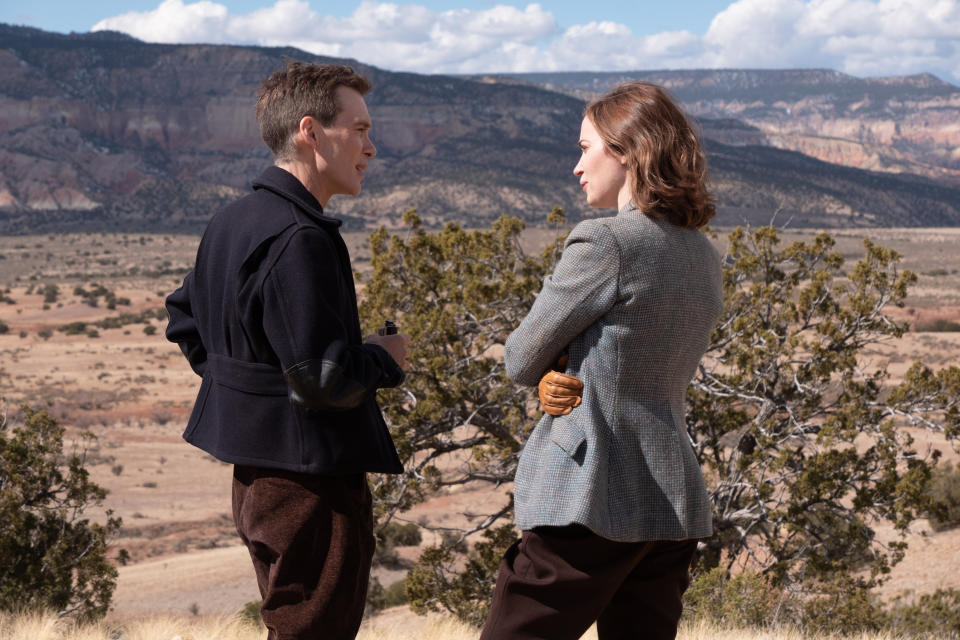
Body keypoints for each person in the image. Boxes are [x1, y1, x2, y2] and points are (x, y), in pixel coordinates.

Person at [165, 61, 410, 640]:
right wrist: (384, 358)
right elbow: (321, 379)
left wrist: (250, 396)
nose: (371, 148)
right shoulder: (300, 236)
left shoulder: (233, 221)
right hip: (311, 483)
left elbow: (184, 318)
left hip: (256, 475)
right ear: (311, 131)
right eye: (359, 129)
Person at [480, 81, 724, 640]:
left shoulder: (605, 243)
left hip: (590, 491)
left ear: (628, 151)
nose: (576, 166)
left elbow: (520, 356)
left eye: (586, 148)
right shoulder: (703, 254)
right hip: (670, 497)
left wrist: (553, 364)